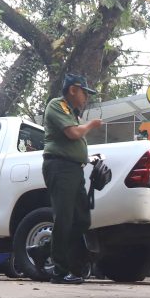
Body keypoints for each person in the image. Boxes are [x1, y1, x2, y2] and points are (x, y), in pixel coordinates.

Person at [42, 72, 103, 284]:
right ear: (73, 89)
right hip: (60, 167)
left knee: (81, 218)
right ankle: (59, 271)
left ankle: (75, 268)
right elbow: (73, 134)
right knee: (64, 218)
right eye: (84, 92)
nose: (86, 97)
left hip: (74, 169)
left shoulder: (71, 112)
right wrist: (91, 125)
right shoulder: (57, 105)